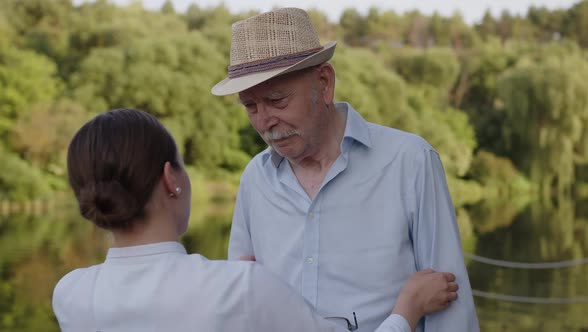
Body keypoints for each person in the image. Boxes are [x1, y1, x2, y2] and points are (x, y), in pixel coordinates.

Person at [52, 108, 459, 332]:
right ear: (169, 179)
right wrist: (408, 309)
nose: (264, 119)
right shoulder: (241, 288)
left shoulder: (69, 295)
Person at [211, 7, 479, 332]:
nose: (264, 122)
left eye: (278, 100)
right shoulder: (255, 178)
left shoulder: (411, 161)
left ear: (324, 83)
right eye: (250, 107)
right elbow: (242, 307)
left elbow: (451, 307)